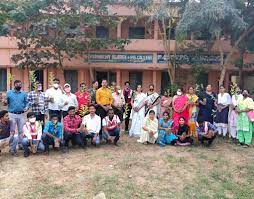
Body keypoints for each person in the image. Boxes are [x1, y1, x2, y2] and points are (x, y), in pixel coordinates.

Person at [5, 80, 28, 145]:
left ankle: (20, 144)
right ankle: (11, 144)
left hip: (21, 114)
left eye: (20, 84)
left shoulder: (24, 93)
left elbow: (27, 103)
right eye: (17, 84)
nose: (19, 85)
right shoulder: (9, 93)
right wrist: (5, 102)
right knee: (12, 130)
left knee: (21, 130)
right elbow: (5, 103)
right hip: (12, 114)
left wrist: (26, 108)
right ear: (14, 85)